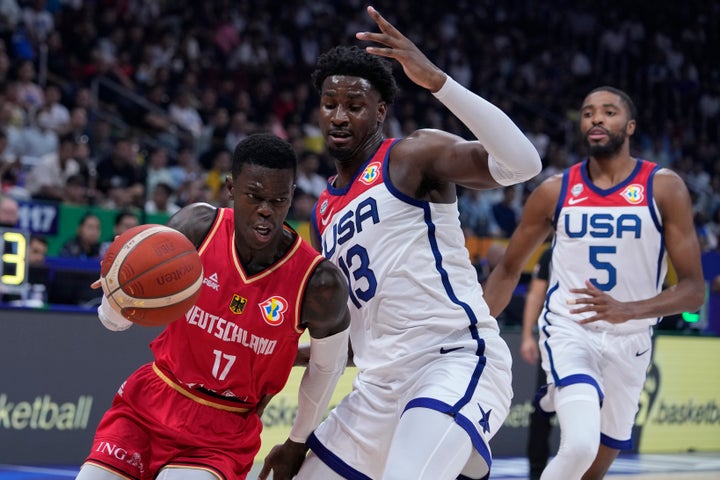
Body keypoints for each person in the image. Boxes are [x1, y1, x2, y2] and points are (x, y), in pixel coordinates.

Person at [268, 6, 541, 480]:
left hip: (452, 359)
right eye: (329, 103)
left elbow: (523, 164)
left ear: (380, 111)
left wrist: (438, 81)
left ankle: (456, 454)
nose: (338, 115)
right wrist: (283, 353)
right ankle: (463, 465)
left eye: (353, 106)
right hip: (378, 385)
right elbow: (355, 332)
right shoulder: (323, 211)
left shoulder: (412, 155)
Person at [75, 133, 351, 480]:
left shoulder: (319, 282)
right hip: (153, 399)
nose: (266, 209)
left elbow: (327, 369)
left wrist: (297, 442)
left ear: (292, 196)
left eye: (278, 200)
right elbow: (114, 324)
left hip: (224, 429)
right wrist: (117, 290)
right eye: (255, 196)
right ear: (231, 188)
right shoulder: (197, 228)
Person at [483, 86, 705, 480]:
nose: (596, 119)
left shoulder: (663, 187)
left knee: (594, 467)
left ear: (630, 126)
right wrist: (475, 327)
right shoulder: (554, 191)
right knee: (580, 445)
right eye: (587, 113)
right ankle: (565, 389)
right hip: (571, 329)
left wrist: (629, 310)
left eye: (608, 112)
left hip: (632, 339)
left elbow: (693, 290)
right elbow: (508, 268)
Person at [520, 246, 553, 480]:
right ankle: (536, 473)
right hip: (556, 341)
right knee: (541, 410)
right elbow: (535, 293)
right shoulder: (550, 253)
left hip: (600, 338)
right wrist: (527, 335)